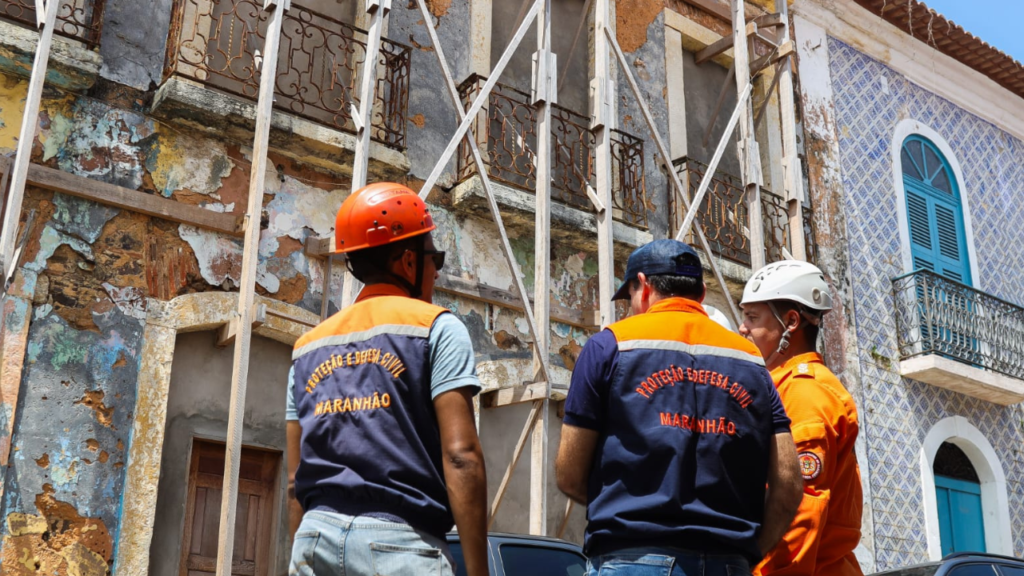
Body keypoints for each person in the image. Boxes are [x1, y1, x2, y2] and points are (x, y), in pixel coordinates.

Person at [555, 239, 804, 576]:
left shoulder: (609, 345)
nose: (630, 307)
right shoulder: (751, 361)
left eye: (629, 298)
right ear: (701, 292)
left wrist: (627, 508)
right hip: (728, 562)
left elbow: (569, 475)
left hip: (633, 559)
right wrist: (748, 555)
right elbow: (789, 486)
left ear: (642, 286)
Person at [285, 182, 488, 576]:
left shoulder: (307, 348)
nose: (436, 270)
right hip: (401, 545)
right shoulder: (437, 329)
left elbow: (296, 480)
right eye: (436, 258)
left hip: (314, 539)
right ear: (408, 262)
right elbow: (461, 457)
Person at [739, 261, 863, 576]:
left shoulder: (804, 394)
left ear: (791, 321)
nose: (743, 329)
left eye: (752, 318)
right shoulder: (783, 386)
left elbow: (800, 511)